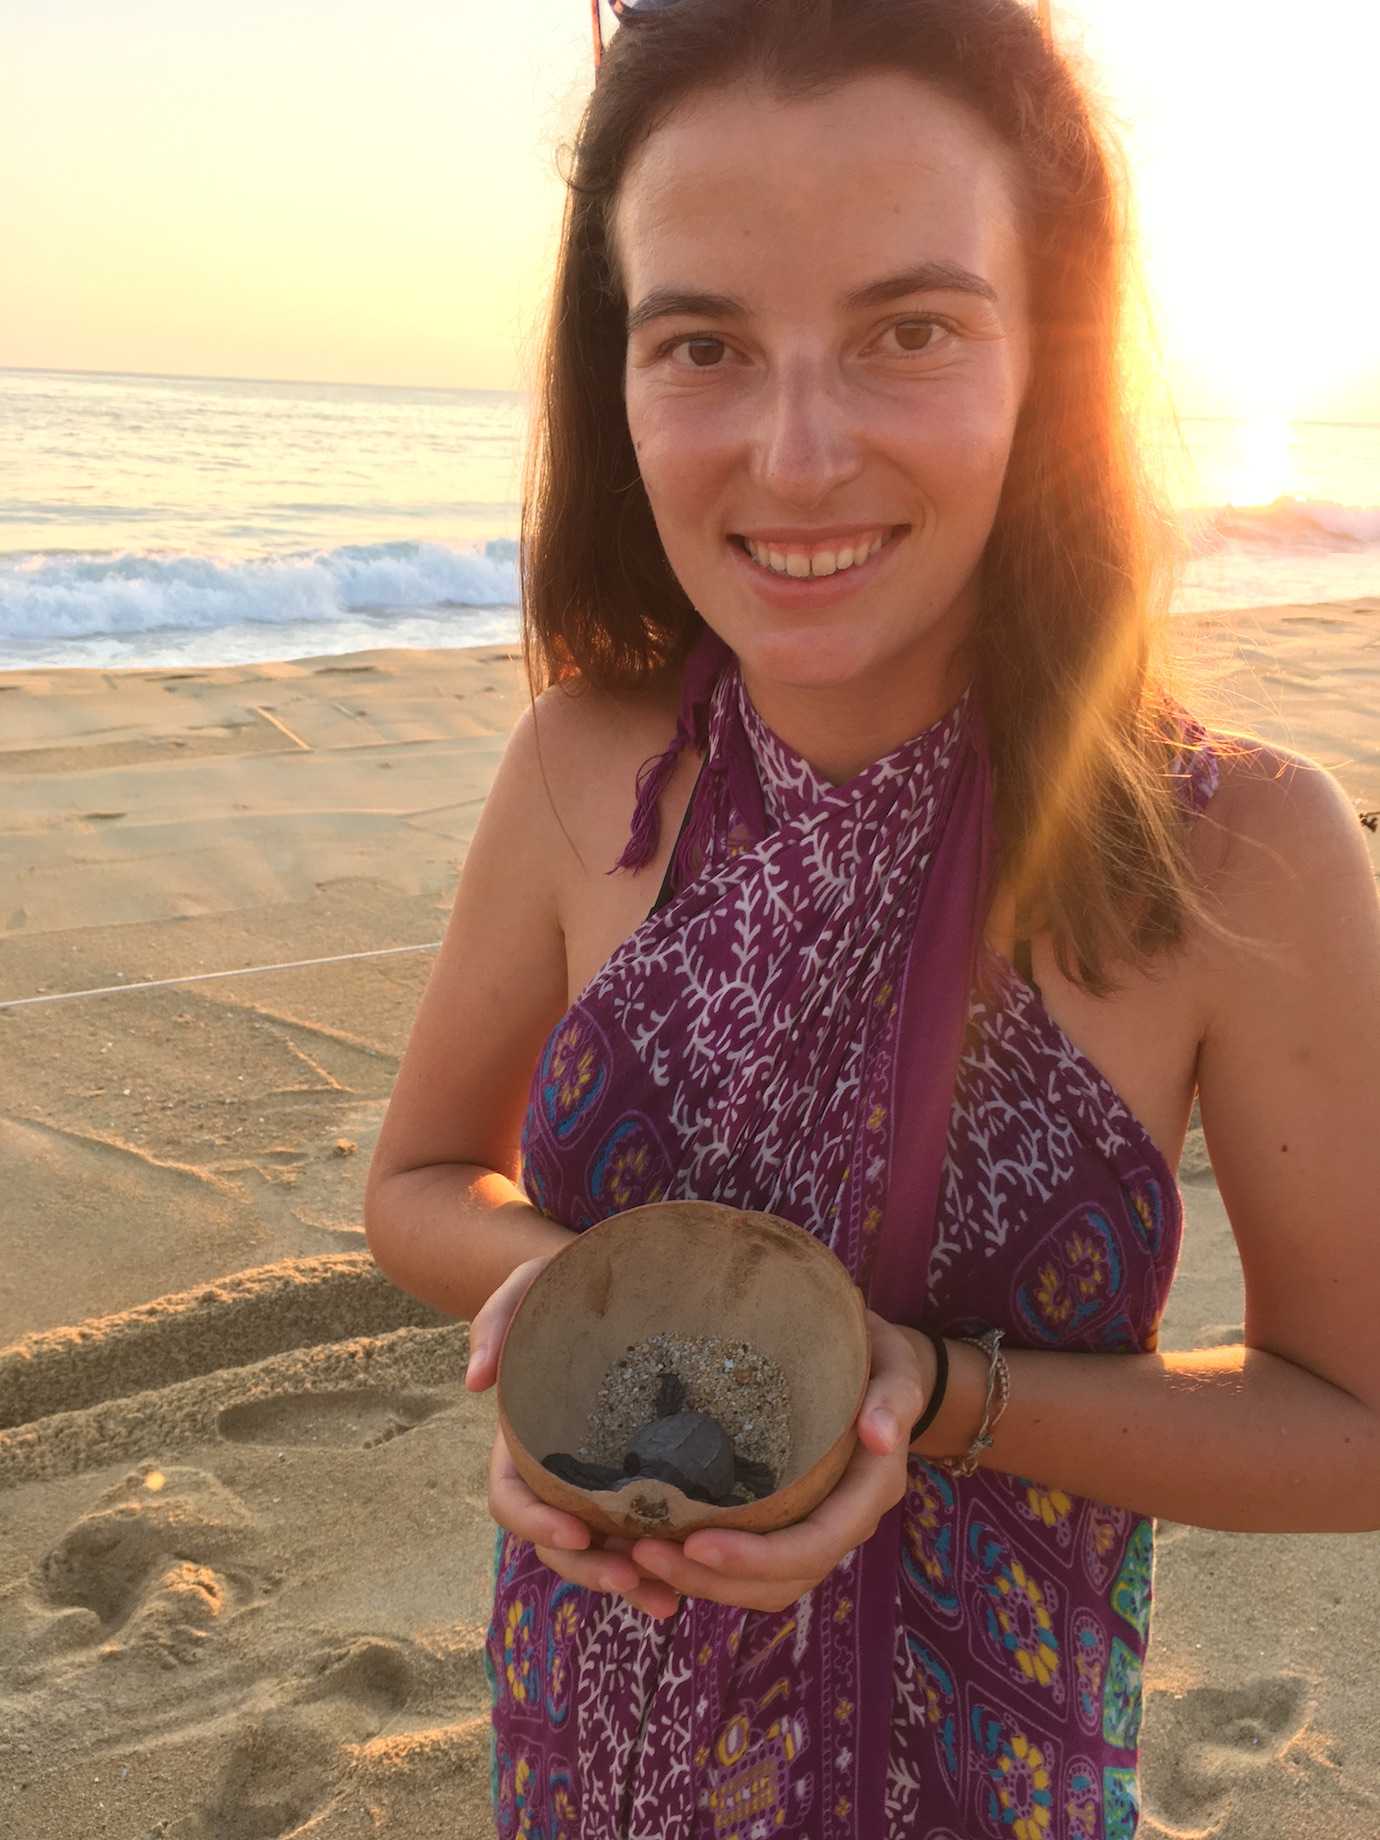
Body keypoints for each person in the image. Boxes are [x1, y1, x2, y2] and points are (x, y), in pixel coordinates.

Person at [363, 1, 1380, 1834]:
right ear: (621, 373)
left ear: (1044, 365)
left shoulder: (1243, 853)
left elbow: (1355, 1424)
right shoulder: (580, 773)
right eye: (705, 344)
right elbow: (420, 1185)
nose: (799, 453)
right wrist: (591, 1336)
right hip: (586, 1752)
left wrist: (929, 1395)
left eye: (909, 329)